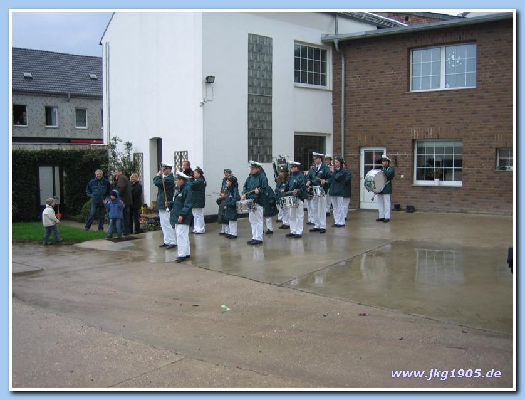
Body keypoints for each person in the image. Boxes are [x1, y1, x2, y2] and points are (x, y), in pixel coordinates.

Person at [168, 171, 193, 263]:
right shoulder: (180, 189)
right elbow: (178, 202)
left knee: (181, 235)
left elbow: (188, 204)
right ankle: (186, 252)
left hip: (182, 216)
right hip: (178, 215)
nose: (176, 182)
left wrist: (182, 214)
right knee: (183, 235)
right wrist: (170, 203)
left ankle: (181, 254)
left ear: (182, 180)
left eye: (177, 180)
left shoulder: (187, 189)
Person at [241, 161, 268, 245]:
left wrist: (259, 191)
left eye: (253, 168)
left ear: (258, 168)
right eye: (251, 168)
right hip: (250, 201)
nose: (251, 170)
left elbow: (265, 190)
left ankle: (259, 238)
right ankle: (254, 237)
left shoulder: (262, 177)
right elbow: (245, 187)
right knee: (252, 220)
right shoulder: (250, 177)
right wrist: (244, 194)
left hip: (258, 201)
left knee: (258, 220)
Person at [306, 152, 331, 234]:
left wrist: (325, 181)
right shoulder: (313, 169)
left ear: (320, 159)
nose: (314, 160)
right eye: (314, 159)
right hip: (314, 189)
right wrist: (308, 181)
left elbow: (330, 177)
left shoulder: (325, 168)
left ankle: (322, 226)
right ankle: (316, 225)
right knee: (315, 207)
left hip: (322, 189)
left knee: (322, 208)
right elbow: (309, 177)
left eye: (316, 158)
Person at [153, 163, 177, 249]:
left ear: (169, 170)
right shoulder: (165, 178)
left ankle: (172, 241)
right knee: (163, 224)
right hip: (161, 203)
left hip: (166, 203)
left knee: (167, 223)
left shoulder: (169, 179)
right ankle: (167, 241)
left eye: (164, 169)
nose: (163, 171)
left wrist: (157, 176)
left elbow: (157, 182)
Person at [284, 161, 306, 238]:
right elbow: (287, 186)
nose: (292, 168)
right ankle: (293, 230)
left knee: (299, 215)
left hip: (299, 197)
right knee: (291, 215)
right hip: (291, 197)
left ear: (297, 167)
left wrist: (298, 191)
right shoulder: (291, 176)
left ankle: (299, 231)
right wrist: (284, 189)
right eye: (291, 167)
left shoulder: (301, 176)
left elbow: (303, 187)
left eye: (293, 167)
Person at [329, 156, 351, 227]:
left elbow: (337, 177)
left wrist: (332, 172)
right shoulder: (334, 171)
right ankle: (336, 221)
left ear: (340, 163)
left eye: (337, 162)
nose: (335, 164)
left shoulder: (343, 171)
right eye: (335, 162)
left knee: (340, 207)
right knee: (335, 207)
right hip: (333, 190)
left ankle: (341, 222)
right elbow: (330, 179)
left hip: (339, 191)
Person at [376, 155, 395, 223]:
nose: (383, 163)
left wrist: (383, 170)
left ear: (387, 162)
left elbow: (389, 175)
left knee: (387, 203)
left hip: (386, 187)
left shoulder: (391, 169)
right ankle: (381, 216)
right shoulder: (380, 169)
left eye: (384, 161)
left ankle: (387, 217)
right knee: (380, 203)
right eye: (382, 161)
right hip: (380, 188)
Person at [114, 168, 132, 235]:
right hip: (127, 200)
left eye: (116, 172)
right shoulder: (124, 178)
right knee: (126, 216)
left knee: (124, 216)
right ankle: (125, 230)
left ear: (120, 172)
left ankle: (125, 230)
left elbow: (122, 187)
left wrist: (117, 196)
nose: (115, 174)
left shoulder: (121, 178)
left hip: (124, 200)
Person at [191, 166, 206, 234]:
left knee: (199, 214)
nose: (194, 174)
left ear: (199, 174)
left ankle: (201, 228)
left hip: (198, 200)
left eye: (195, 173)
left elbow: (192, 185)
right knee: (195, 214)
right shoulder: (196, 180)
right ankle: (196, 228)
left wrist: (188, 179)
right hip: (195, 199)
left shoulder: (200, 181)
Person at [217, 169, 232, 236]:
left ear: (230, 173)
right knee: (221, 214)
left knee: (226, 215)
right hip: (223, 199)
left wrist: (226, 195)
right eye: (225, 173)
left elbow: (231, 191)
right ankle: (223, 229)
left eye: (227, 173)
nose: (225, 174)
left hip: (227, 199)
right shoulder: (224, 180)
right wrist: (221, 194)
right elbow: (222, 189)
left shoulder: (232, 180)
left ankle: (228, 230)